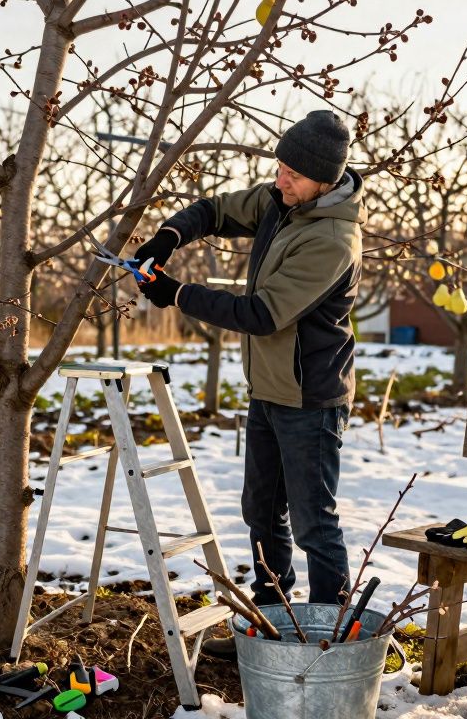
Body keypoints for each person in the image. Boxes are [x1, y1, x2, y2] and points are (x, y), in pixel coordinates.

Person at [134, 110, 365, 652]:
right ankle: (270, 628)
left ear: (325, 182)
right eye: (279, 166)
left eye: (293, 173)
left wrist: (178, 295)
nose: (280, 179)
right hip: (268, 391)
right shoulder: (285, 202)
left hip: (310, 400)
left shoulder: (332, 240)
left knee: (313, 522)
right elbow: (215, 210)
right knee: (261, 510)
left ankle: (328, 641)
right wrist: (170, 236)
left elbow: (263, 314)